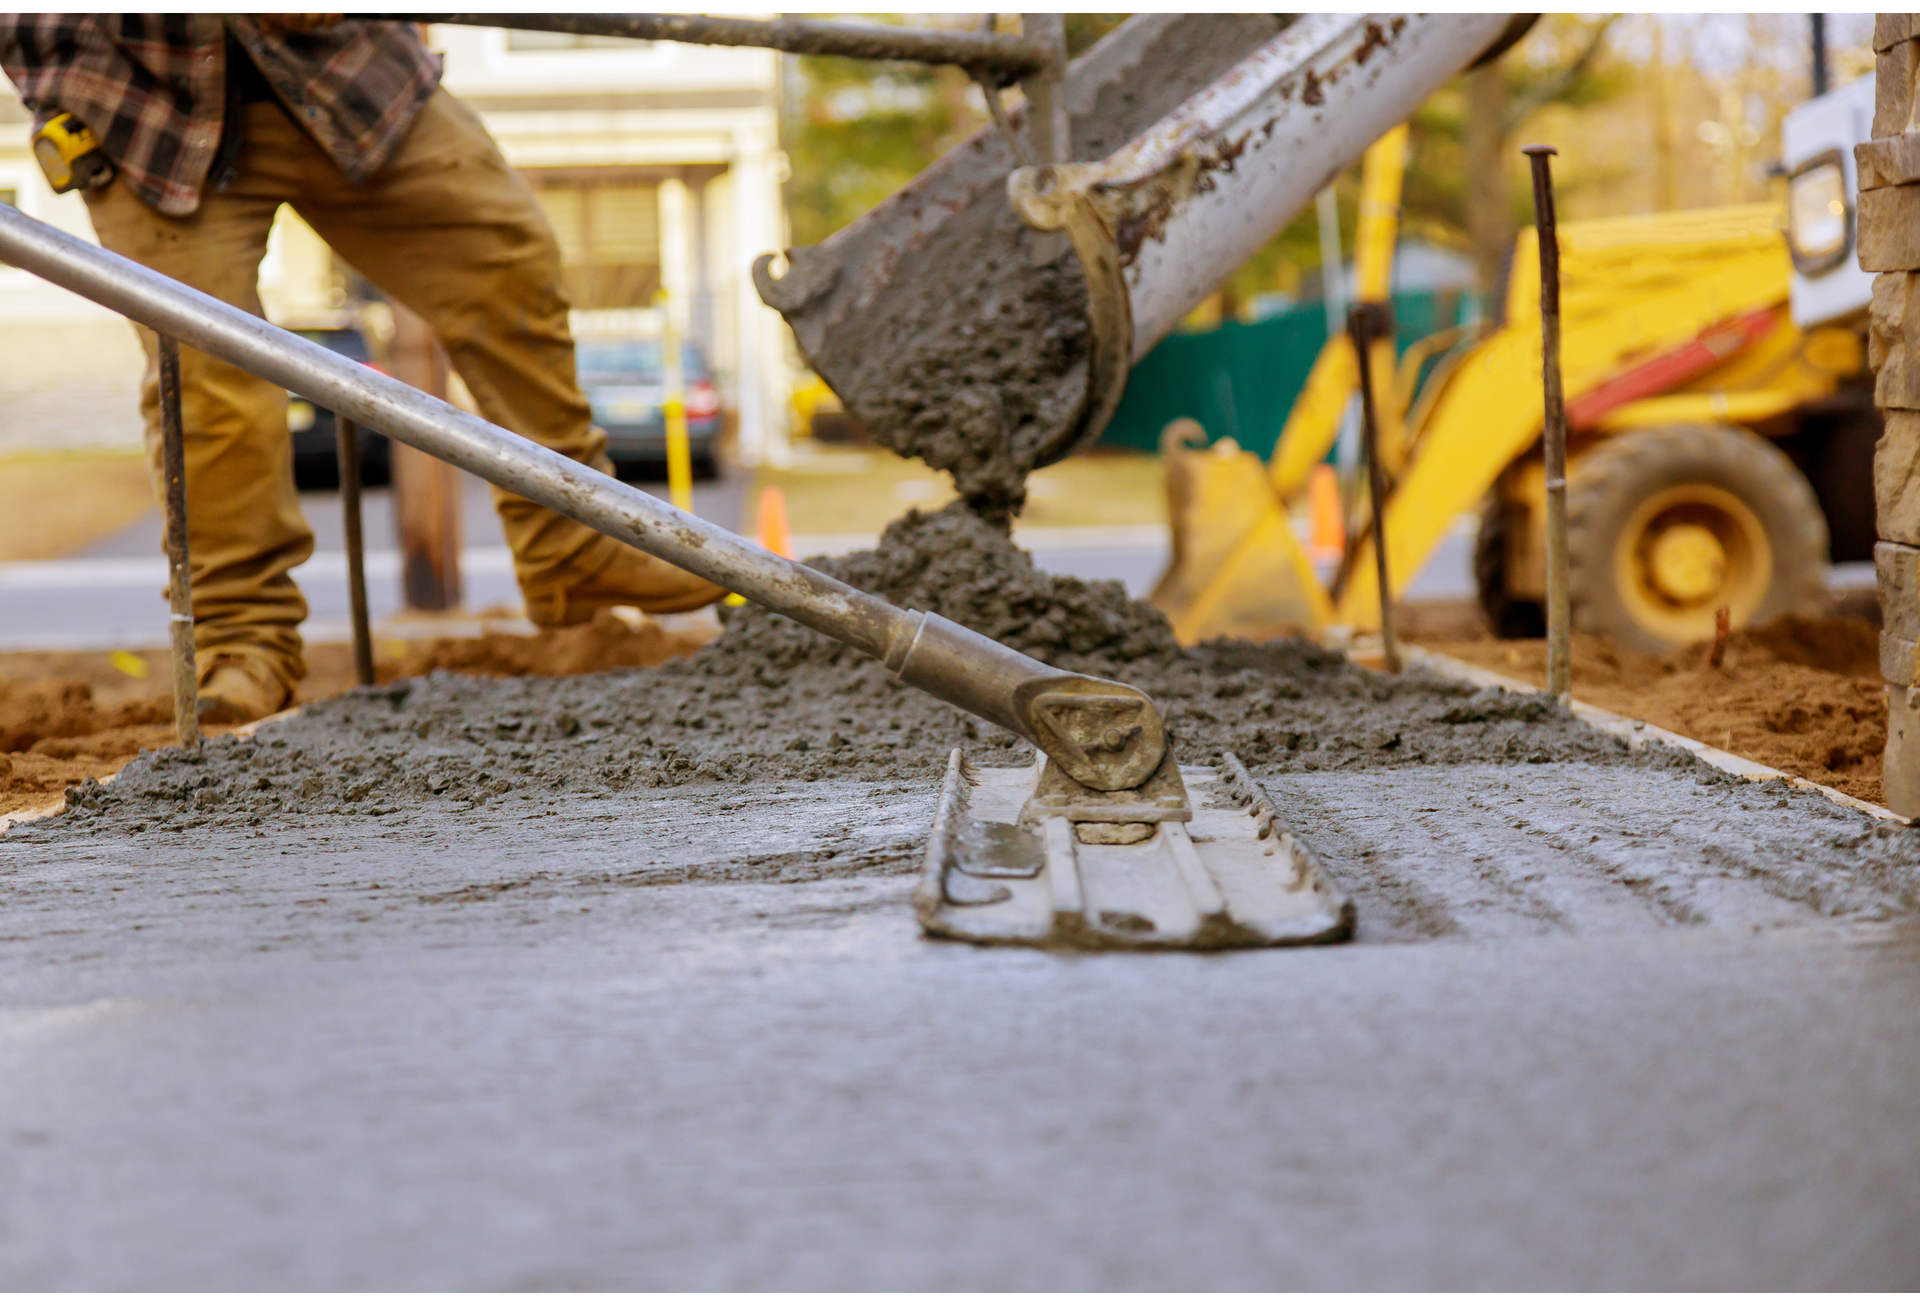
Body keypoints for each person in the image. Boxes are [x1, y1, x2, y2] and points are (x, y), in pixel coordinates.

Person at [0, 15, 725, 721]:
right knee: (204, 376)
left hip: (348, 75)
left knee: (507, 261)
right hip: (143, 102)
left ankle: (576, 546)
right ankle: (240, 639)